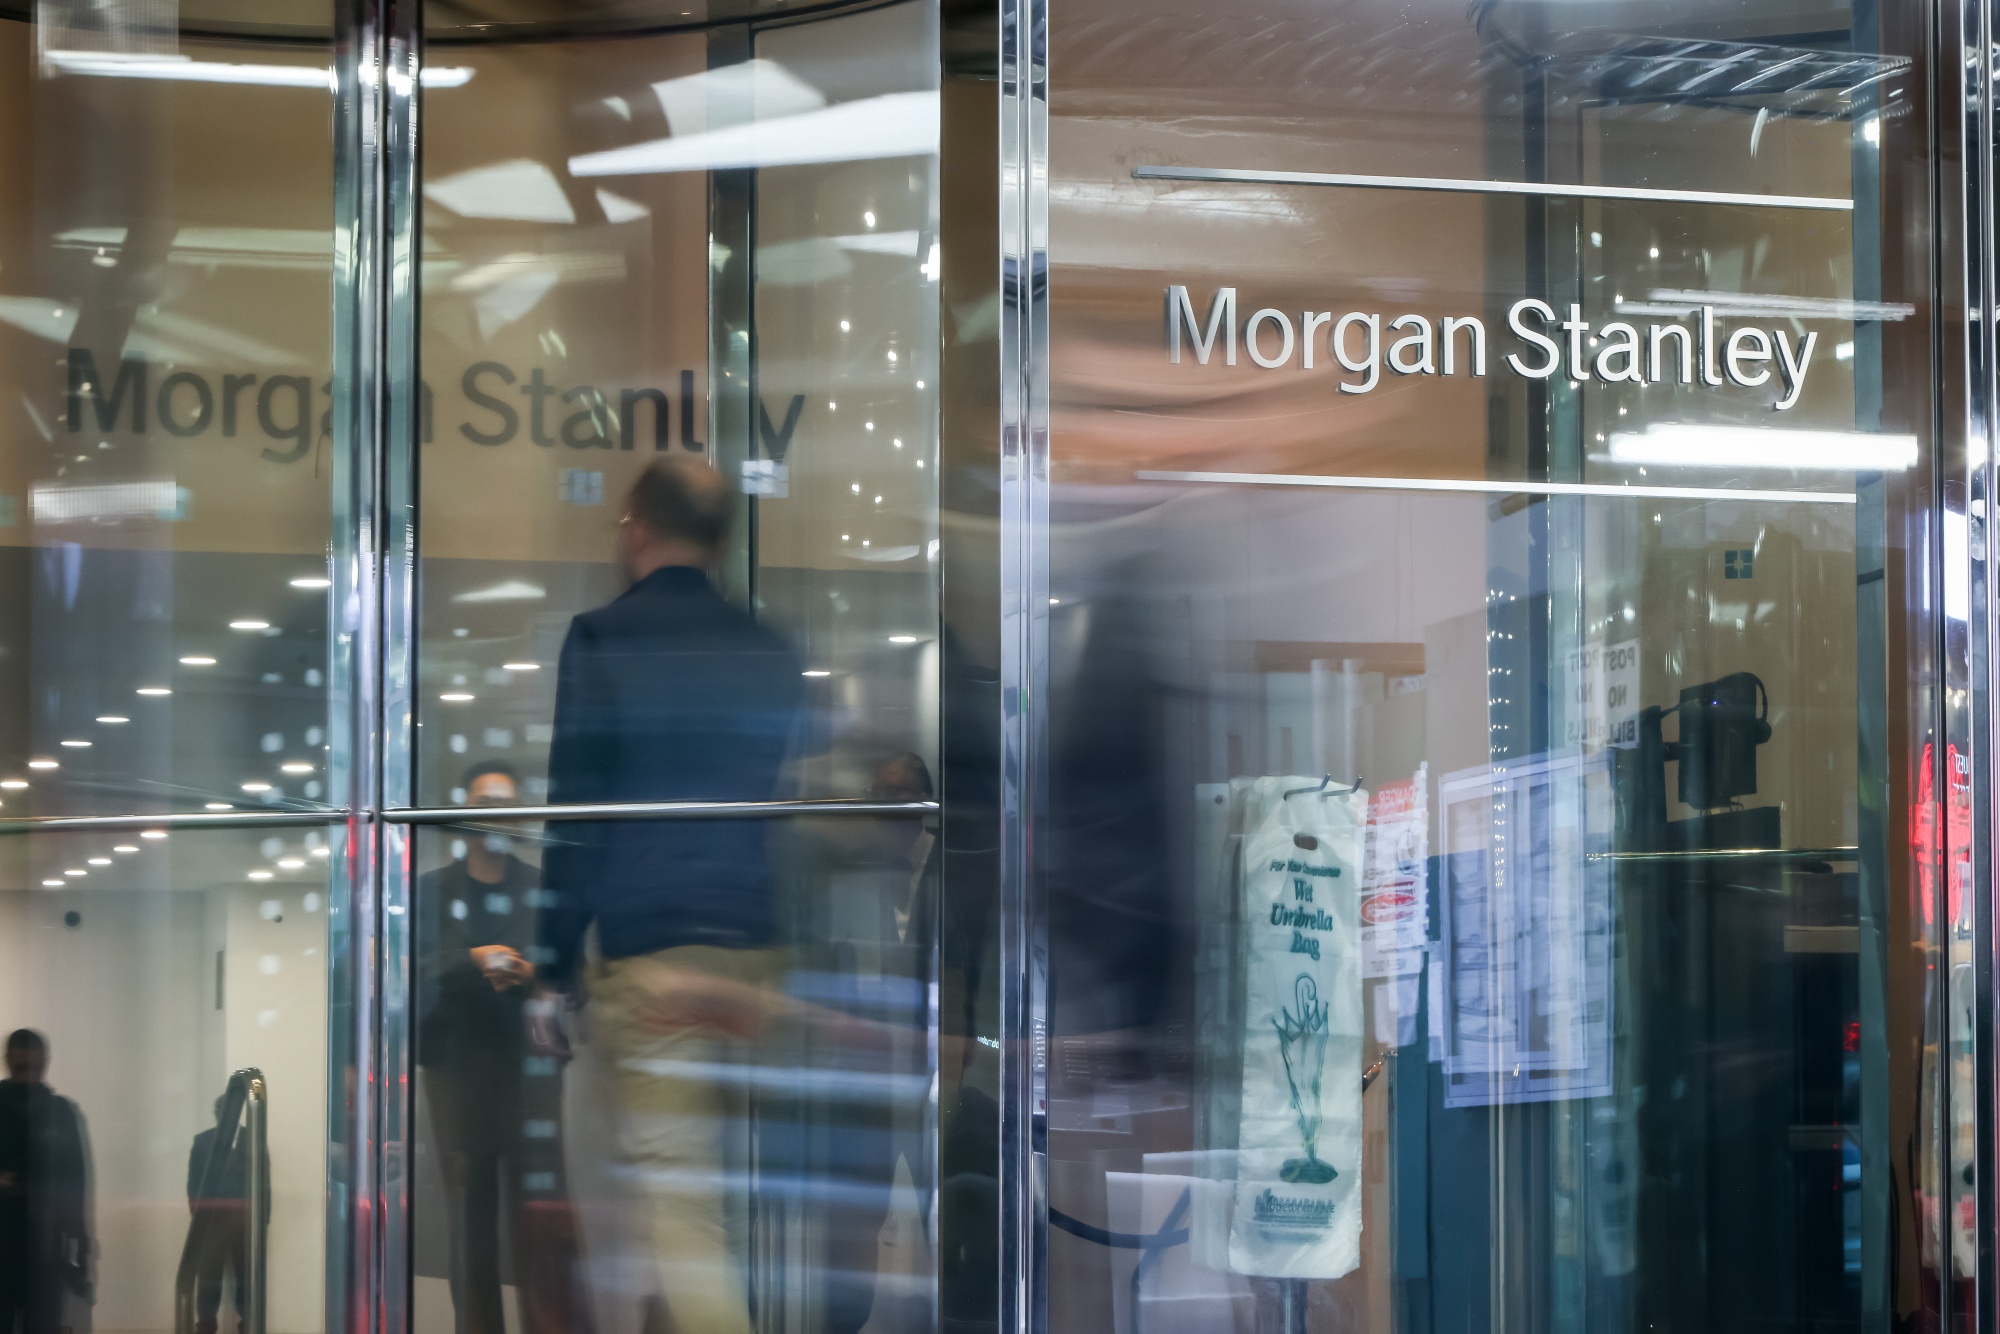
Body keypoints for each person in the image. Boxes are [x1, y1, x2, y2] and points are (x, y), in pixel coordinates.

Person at [542, 457, 805, 1334]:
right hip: (759, 958)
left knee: (682, 1219)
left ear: (633, 528)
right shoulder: (773, 652)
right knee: (737, 1210)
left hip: (657, 967)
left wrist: (551, 969)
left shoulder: (603, 639)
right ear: (725, 540)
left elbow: (578, 814)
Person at [417, 762, 588, 1334]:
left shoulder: (543, 890)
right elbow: (406, 978)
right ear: (464, 815)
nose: (497, 815)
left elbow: (577, 983)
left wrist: (528, 971)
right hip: (455, 1071)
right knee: (469, 1223)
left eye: (508, 806)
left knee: (538, 1218)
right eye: (484, 803)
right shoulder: (429, 891)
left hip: (530, 1071)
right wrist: (473, 961)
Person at [0, 1030, 91, 1334]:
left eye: (34, 1068)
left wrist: (80, 1240)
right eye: (22, 1068)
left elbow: (74, 1180)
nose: (29, 1078)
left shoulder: (60, 1112)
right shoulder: (58, 1112)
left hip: (44, 1244)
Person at [186, 1092, 267, 1334]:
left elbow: (264, 1186)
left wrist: (260, 1226)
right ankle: (206, 1327)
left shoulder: (253, 1140)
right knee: (209, 1282)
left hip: (245, 1226)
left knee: (246, 1283)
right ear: (217, 1114)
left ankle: (247, 1327)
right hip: (212, 1224)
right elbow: (193, 1187)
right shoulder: (202, 1142)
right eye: (221, 1112)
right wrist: (201, 1221)